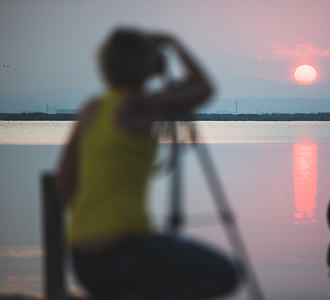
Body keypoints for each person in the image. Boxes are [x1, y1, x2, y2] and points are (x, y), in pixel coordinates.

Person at [56, 27, 240, 300]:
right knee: (226, 273)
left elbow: (64, 185)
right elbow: (204, 88)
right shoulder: (141, 106)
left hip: (82, 259)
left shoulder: (91, 109)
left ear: (106, 65)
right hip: (125, 250)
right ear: (149, 67)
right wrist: (174, 42)